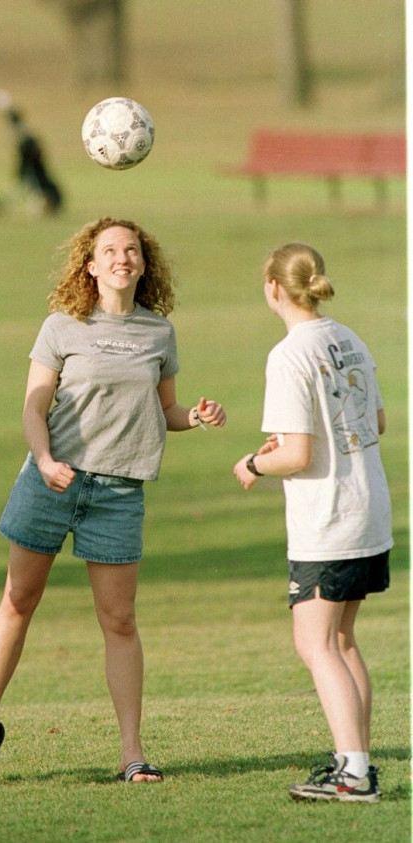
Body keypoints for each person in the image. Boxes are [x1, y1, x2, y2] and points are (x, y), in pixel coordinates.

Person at [0, 218, 226, 785]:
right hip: (51, 481)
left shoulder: (159, 333)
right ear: (91, 265)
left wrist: (195, 417)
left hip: (119, 492)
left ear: (144, 264)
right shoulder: (62, 326)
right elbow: (33, 408)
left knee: (120, 620)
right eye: (110, 250)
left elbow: (165, 411)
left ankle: (132, 753)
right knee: (18, 601)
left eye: (131, 249)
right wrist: (47, 459)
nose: (122, 257)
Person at [232, 242, 392, 803]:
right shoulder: (348, 337)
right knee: (343, 641)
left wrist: (252, 463)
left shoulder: (289, 354)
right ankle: (358, 760)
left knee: (316, 643)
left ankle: (354, 775)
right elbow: (375, 420)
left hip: (328, 518)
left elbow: (296, 455)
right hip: (369, 508)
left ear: (273, 287)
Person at [6, 108, 63, 216]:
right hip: (33, 165)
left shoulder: (21, 133)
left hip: (34, 166)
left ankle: (42, 207)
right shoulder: (23, 132)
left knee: (36, 187)